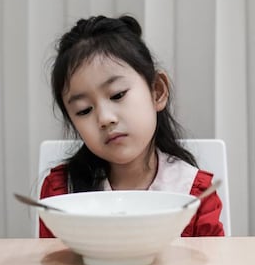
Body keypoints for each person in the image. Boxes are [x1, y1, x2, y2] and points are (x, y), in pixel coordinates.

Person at [40, 15, 224, 237]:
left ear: (157, 91)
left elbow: (209, 263)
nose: (105, 118)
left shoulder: (194, 193)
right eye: (84, 110)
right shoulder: (61, 192)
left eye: (117, 95)